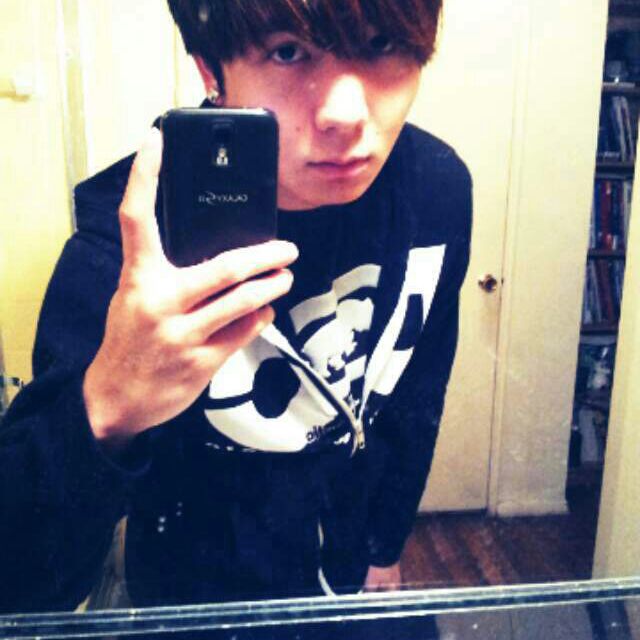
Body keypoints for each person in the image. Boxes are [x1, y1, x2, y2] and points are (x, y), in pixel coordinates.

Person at [0, 0, 472, 612]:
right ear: (210, 71)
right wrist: (108, 405)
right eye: (288, 51)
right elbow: (21, 587)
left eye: (381, 44)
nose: (346, 113)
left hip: (347, 575)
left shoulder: (437, 189)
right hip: (187, 599)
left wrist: (384, 543)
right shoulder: (128, 244)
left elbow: (419, 391)